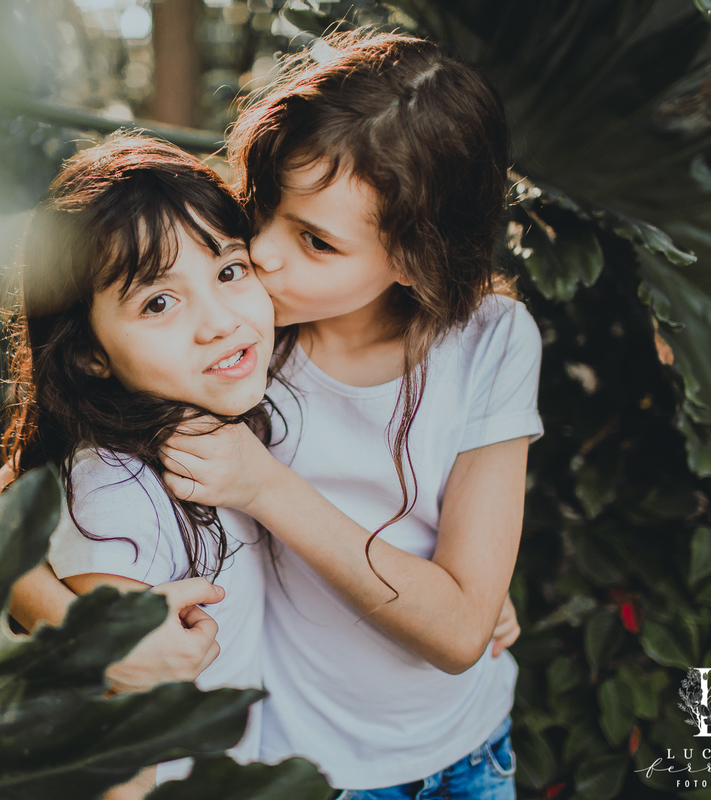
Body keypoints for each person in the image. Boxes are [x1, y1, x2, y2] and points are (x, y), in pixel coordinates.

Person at [156, 31, 542, 800]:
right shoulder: (226, 330)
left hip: (468, 754)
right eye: (266, 206)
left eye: (316, 242)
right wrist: (98, 626)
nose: (261, 253)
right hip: (304, 773)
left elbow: (462, 633)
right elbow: (15, 514)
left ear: (417, 257)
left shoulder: (492, 340)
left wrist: (264, 486)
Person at [0, 133, 277, 799]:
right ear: (89, 354)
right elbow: (116, 716)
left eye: (229, 271)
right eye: (159, 302)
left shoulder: (223, 405)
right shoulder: (117, 488)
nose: (220, 322)